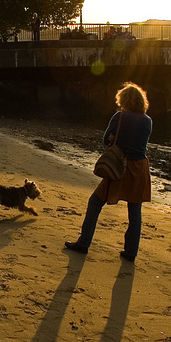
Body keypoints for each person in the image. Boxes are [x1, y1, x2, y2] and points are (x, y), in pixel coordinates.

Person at [65, 82, 153, 262]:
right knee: (135, 210)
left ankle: (84, 243)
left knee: (95, 203)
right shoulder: (147, 120)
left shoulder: (119, 117)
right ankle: (131, 252)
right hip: (140, 167)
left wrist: (115, 138)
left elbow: (106, 140)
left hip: (120, 166)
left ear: (123, 99)